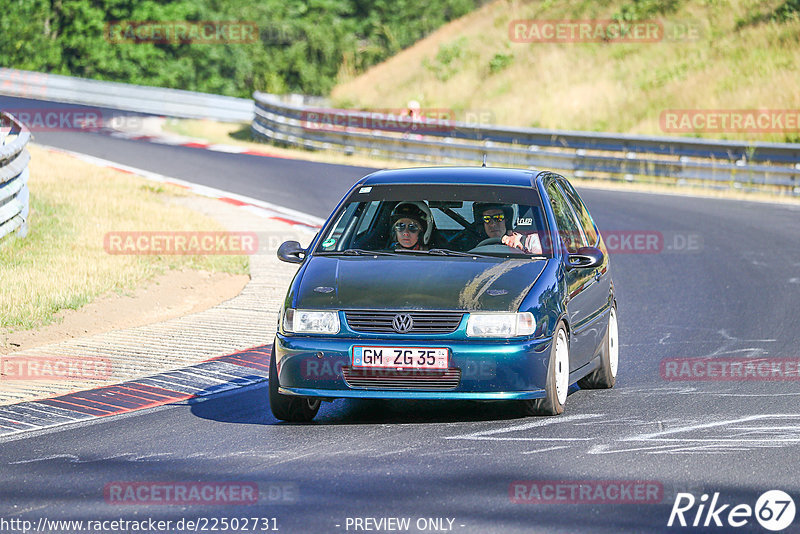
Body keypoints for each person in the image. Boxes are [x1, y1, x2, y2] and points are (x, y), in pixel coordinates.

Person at [473, 202, 542, 255]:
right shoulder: (470, 243)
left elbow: (542, 263)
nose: (492, 224)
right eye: (487, 219)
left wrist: (522, 249)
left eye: (498, 218)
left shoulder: (530, 242)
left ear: (507, 220)